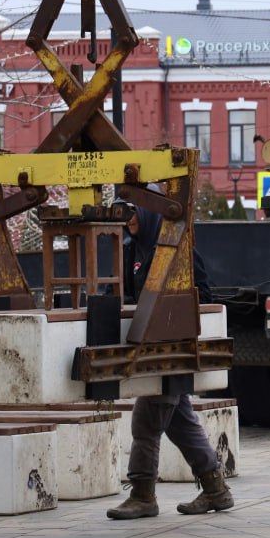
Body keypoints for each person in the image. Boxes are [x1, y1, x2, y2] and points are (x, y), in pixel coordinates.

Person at [106, 198, 234, 520]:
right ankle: (216, 490)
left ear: (147, 213)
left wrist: (169, 313)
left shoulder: (179, 251)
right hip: (150, 350)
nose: (128, 223)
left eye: (132, 215)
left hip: (172, 351)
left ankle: (142, 495)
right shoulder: (133, 251)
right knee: (180, 424)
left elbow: (203, 296)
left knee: (146, 422)